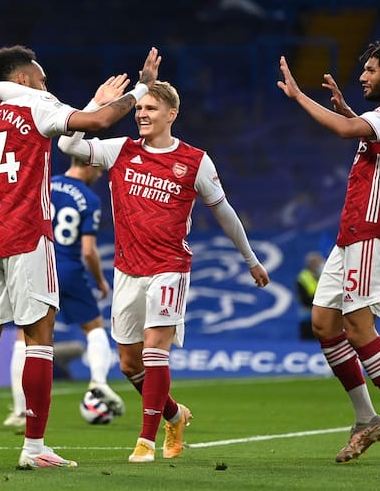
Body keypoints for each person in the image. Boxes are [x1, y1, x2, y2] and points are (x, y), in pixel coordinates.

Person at [0, 45, 161, 469]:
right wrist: (141, 87)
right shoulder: (35, 104)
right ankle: (34, 449)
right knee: (38, 339)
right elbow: (97, 124)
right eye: (42, 78)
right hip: (28, 236)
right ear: (25, 78)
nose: (47, 86)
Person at [58, 80, 270, 463]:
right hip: (127, 269)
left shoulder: (195, 160)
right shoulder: (120, 150)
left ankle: (145, 440)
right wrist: (97, 102)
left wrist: (250, 258)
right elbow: (67, 145)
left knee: (156, 350)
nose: (141, 114)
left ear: (172, 115)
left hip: (170, 267)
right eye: (139, 108)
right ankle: (175, 415)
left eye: (151, 108)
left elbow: (224, 211)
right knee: (128, 364)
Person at [277, 41, 380, 467]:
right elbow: (366, 134)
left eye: (370, 70)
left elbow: (349, 132)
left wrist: (299, 97)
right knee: (324, 322)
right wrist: (349, 110)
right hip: (351, 231)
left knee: (359, 328)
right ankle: (367, 419)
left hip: (372, 229)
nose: (362, 76)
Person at [5, 157, 124, 428]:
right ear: (90, 165)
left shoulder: (45, 186)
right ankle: (99, 382)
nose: (100, 174)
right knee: (93, 328)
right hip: (69, 270)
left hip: (38, 266)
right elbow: (88, 250)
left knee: (25, 338)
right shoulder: (90, 199)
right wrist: (100, 281)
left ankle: (20, 411)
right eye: (100, 169)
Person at [295, 251, 323, 340]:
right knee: (308, 340)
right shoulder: (303, 277)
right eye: (317, 263)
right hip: (308, 316)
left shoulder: (326, 276)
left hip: (324, 316)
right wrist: (321, 302)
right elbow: (303, 299)